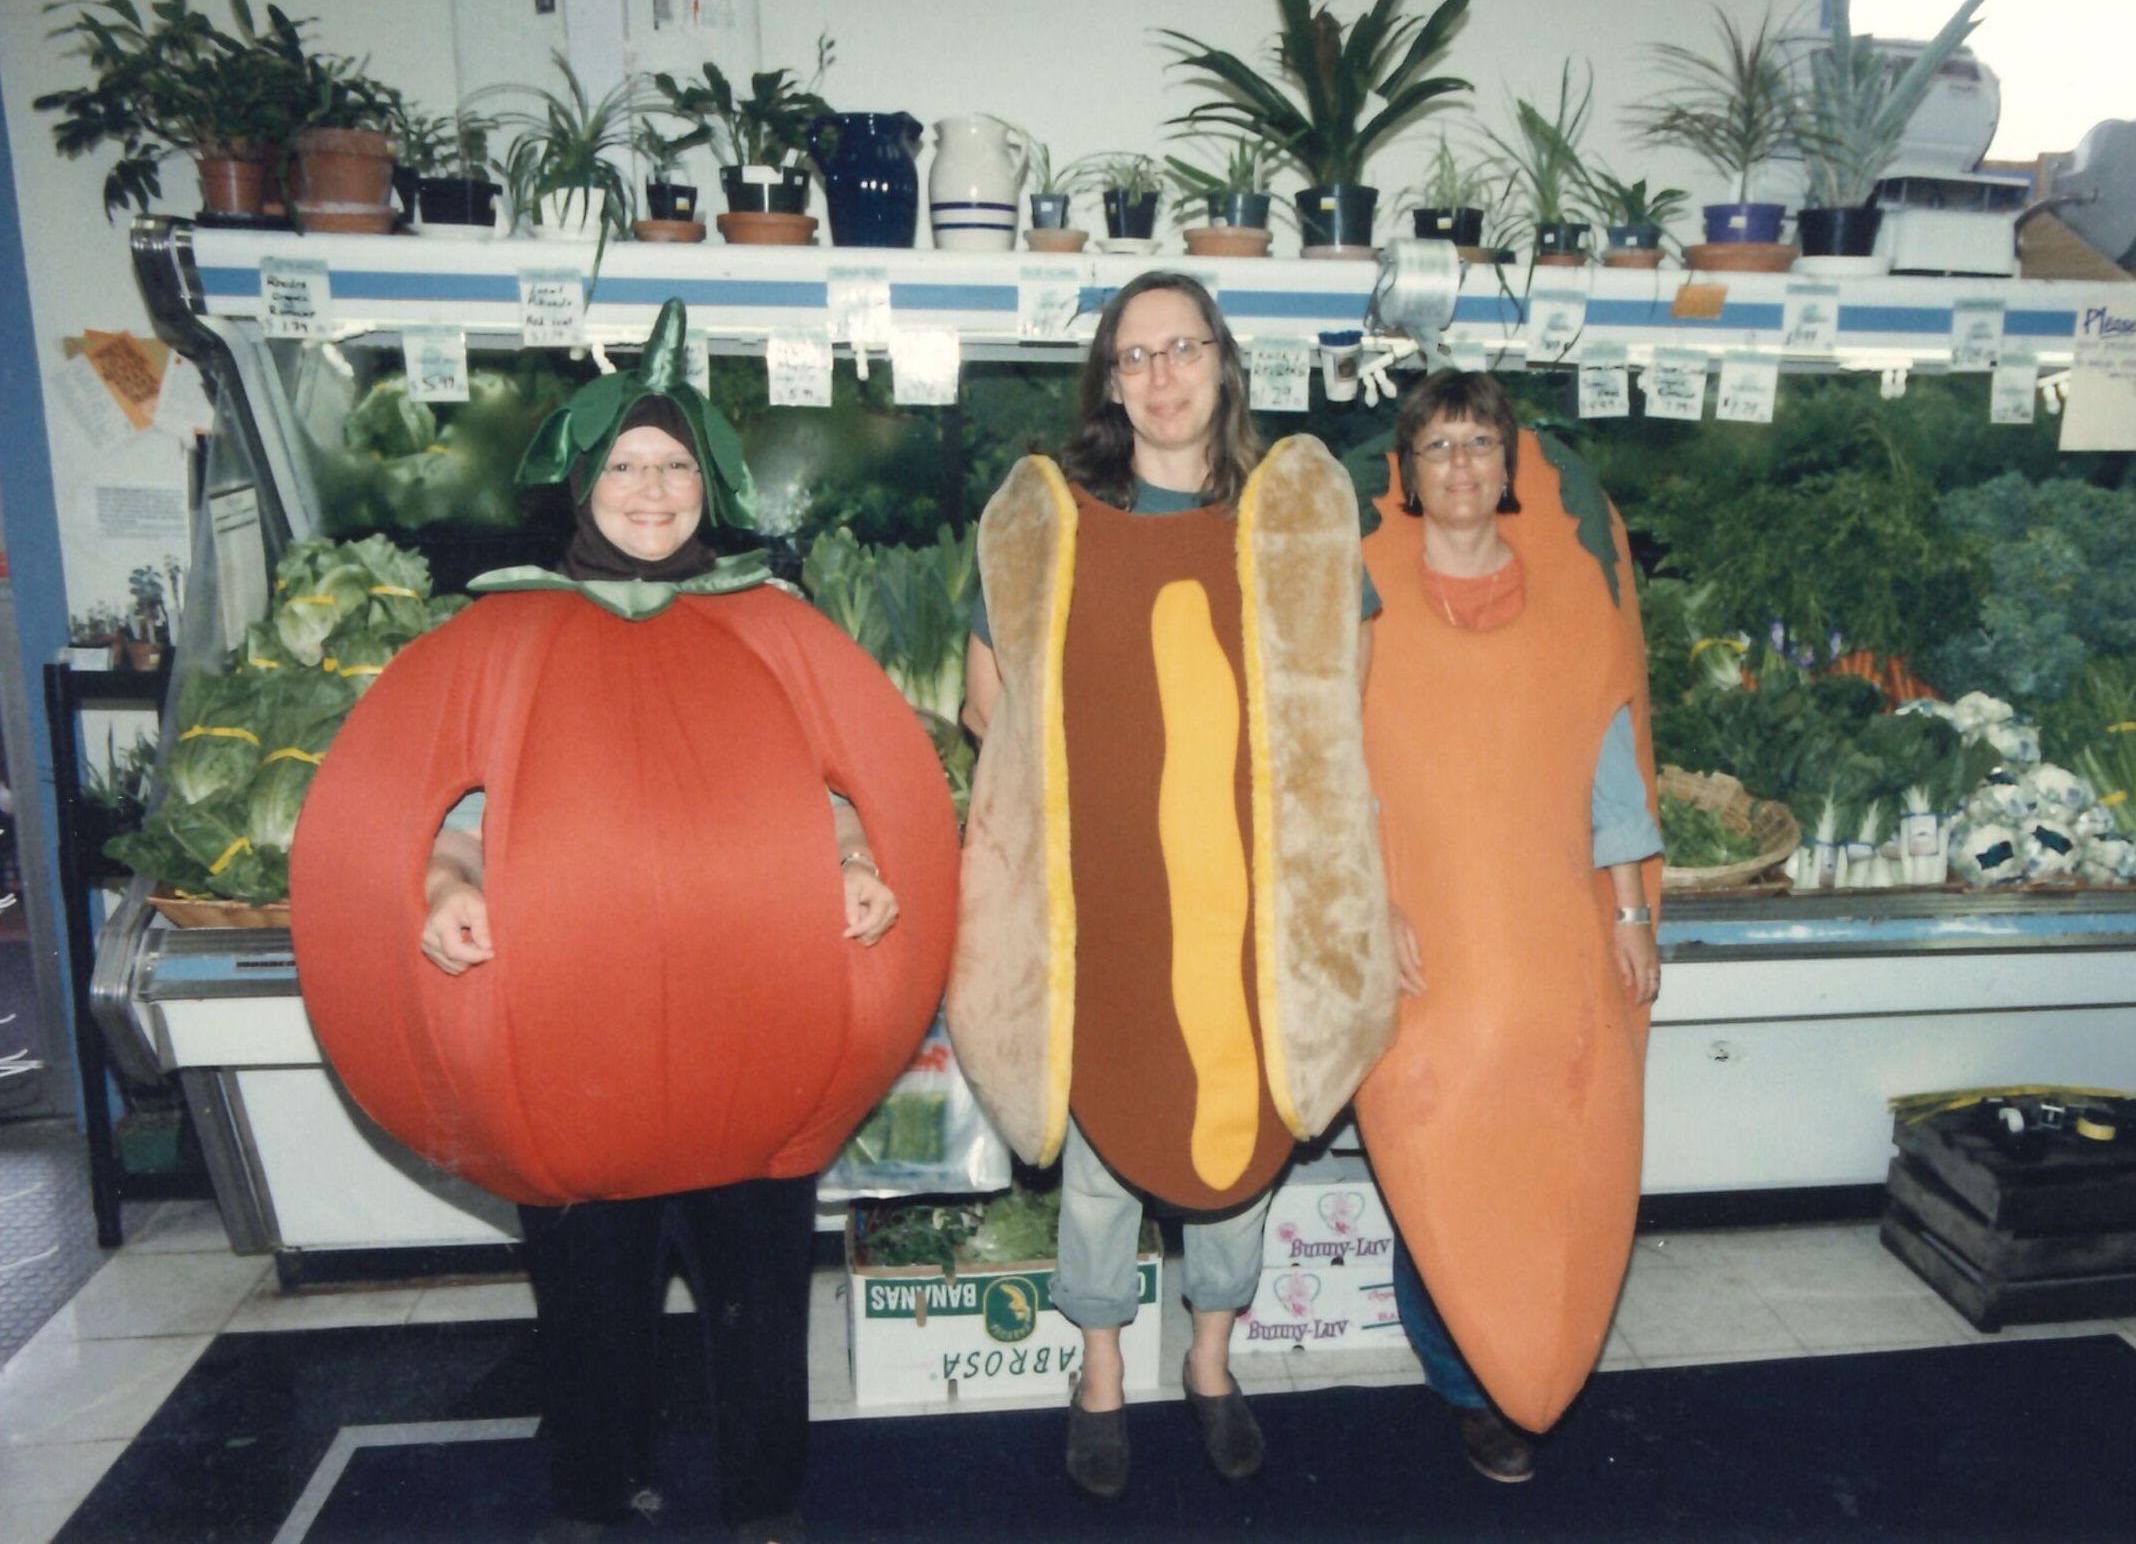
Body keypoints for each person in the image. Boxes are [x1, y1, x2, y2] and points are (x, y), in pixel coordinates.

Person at [289, 301, 959, 1544]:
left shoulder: (773, 627)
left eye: (674, 468)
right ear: (582, 483)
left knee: (758, 1290)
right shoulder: (503, 638)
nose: (651, 491)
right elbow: (445, 812)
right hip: (572, 1038)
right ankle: (596, 1493)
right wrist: (441, 889)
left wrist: (860, 859)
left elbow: (840, 795)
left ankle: (763, 1500)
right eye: (625, 467)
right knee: (591, 1299)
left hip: (754, 1029)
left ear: (707, 485)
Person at [950, 272, 1395, 1502]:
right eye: (1132, 356)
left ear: (1221, 363)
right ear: (1107, 381)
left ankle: (1209, 1364)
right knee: (1098, 1149)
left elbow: (1332, 706)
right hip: (1101, 903)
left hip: (1249, 900)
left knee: (1239, 1136)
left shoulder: (1291, 525)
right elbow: (988, 707)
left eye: (1181, 347)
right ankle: (1100, 1379)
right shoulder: (1050, 524)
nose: (1159, 375)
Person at [1355, 370, 1662, 1483]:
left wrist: (1628, 907)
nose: (1462, 468)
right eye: (1438, 448)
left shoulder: (1571, 600)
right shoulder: (1363, 596)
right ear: (1408, 472)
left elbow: (1610, 764)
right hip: (1423, 942)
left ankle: (1532, 1351)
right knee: (1436, 1153)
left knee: (1556, 1139)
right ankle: (1469, 1380)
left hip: (1547, 938)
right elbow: (1330, 763)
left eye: (1481, 444)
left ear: (1511, 466)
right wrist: (1364, 900)